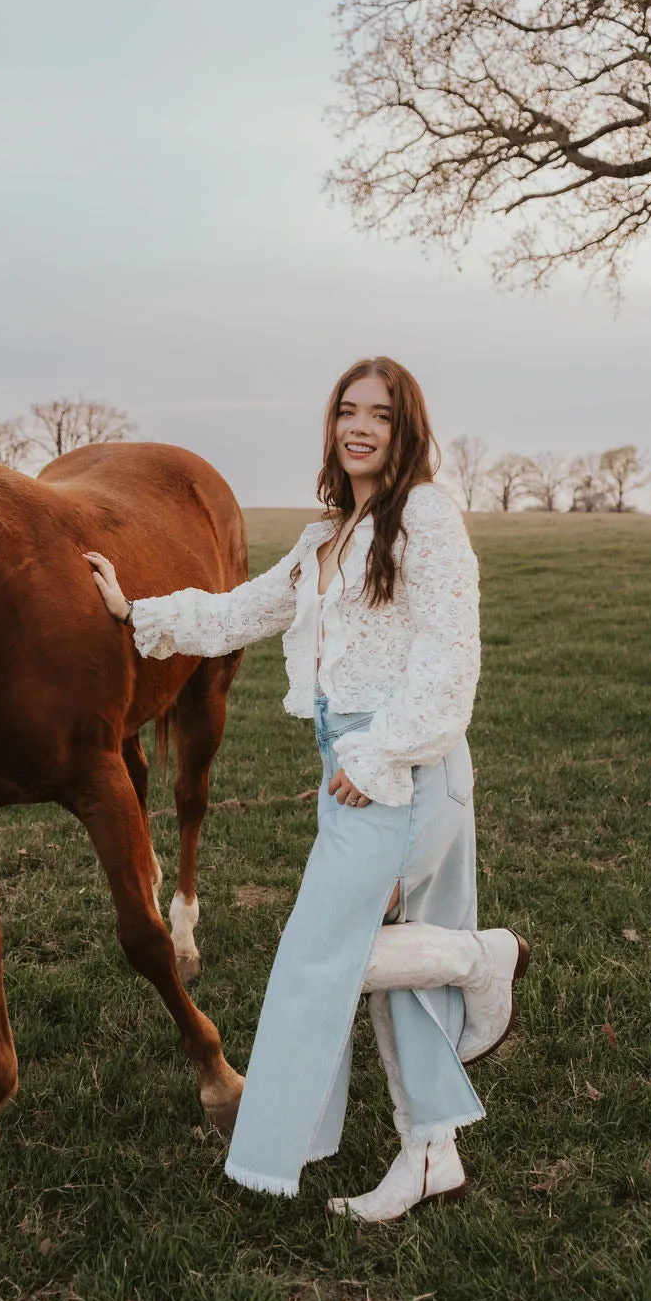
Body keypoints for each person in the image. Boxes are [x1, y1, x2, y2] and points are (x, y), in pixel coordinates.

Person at [84, 357, 529, 1222]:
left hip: (403, 770)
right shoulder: (325, 536)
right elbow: (237, 612)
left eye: (381, 416)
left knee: (321, 961)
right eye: (347, 412)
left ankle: (486, 958)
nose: (360, 427)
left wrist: (376, 757)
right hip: (354, 773)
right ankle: (430, 1151)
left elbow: (450, 664)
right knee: (378, 959)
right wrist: (131, 610)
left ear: (409, 432)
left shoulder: (427, 519)